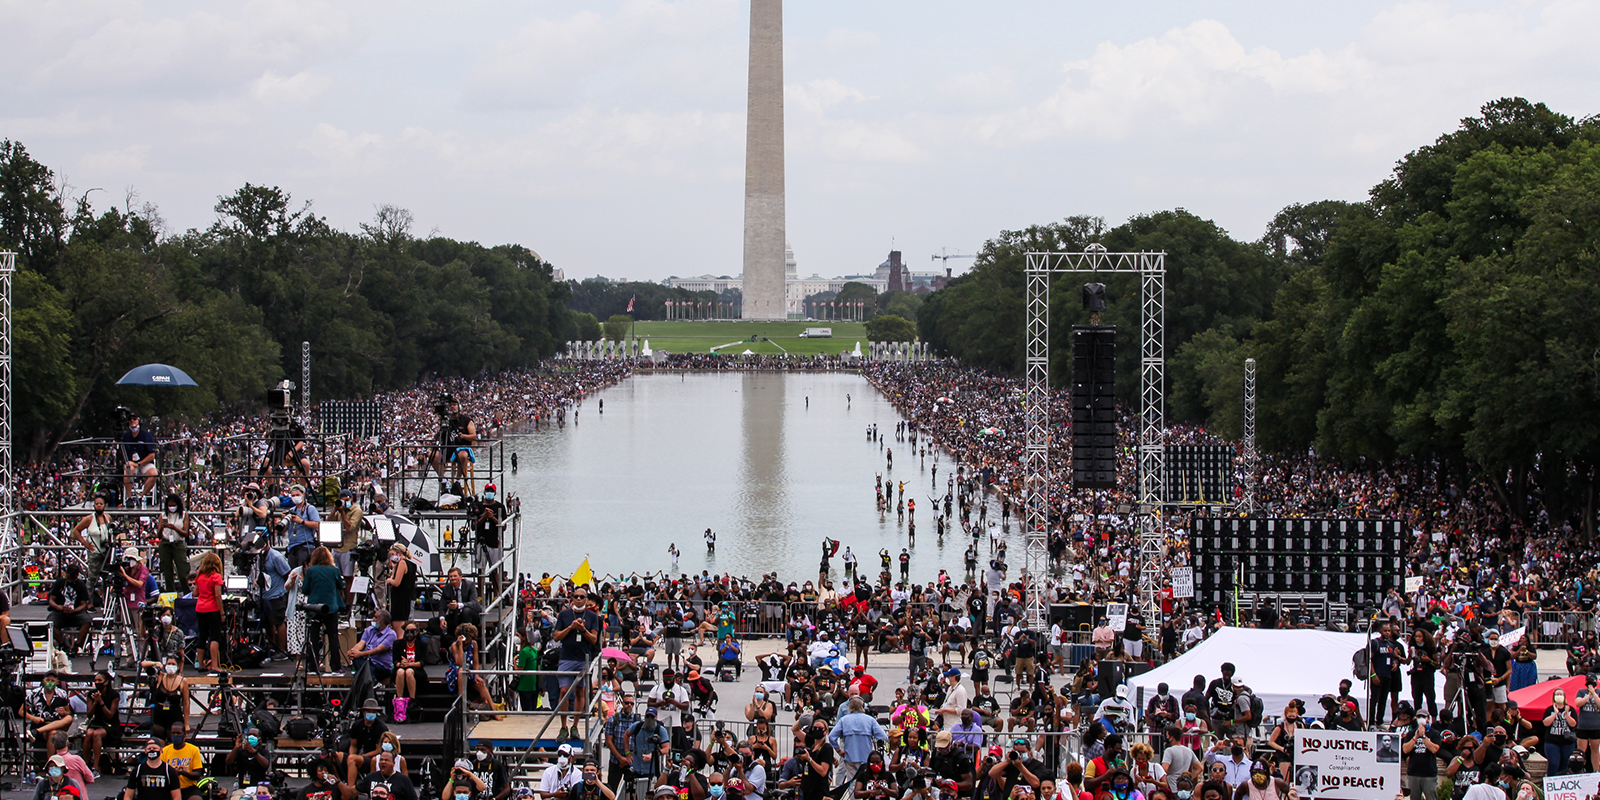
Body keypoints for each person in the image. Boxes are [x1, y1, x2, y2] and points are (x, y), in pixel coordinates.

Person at [554, 587, 601, 741]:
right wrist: (571, 627)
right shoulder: (564, 615)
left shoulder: (593, 616)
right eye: (576, 596)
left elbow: (594, 639)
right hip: (566, 658)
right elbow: (556, 637)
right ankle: (563, 727)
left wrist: (582, 630)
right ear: (572, 598)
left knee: (581, 692)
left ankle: (575, 725)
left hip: (583, 658)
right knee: (564, 691)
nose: (579, 599)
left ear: (587, 599)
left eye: (582, 596)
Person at [293, 546, 345, 671]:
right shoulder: (334, 570)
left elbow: (305, 590)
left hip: (314, 608)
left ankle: (313, 665)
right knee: (333, 636)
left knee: (313, 638)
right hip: (331, 607)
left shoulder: (311, 571)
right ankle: (335, 666)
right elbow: (340, 586)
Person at [830, 696, 889, 789]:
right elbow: (883, 736)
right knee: (866, 782)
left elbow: (831, 736)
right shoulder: (870, 720)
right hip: (865, 757)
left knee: (852, 783)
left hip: (849, 756)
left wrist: (838, 750)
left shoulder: (844, 720)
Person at [47, 562, 93, 655]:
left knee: (87, 622)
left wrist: (75, 610)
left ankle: (77, 645)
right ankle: (63, 644)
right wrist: (58, 607)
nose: (71, 580)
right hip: (60, 611)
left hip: (76, 612)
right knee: (49, 624)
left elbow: (84, 603)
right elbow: (51, 600)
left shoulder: (80, 584)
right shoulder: (60, 582)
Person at [84, 670, 123, 777]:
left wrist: (101, 702)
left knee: (97, 734)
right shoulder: (91, 694)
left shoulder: (114, 695)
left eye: (99, 680)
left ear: (106, 682)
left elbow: (110, 715)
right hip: (97, 722)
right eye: (95, 680)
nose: (97, 682)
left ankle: (95, 767)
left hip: (110, 725)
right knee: (88, 733)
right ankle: (85, 765)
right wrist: (95, 702)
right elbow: (89, 715)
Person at [23, 670, 75, 748]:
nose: (50, 682)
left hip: (57, 724)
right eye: (48, 680)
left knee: (69, 718)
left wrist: (64, 712)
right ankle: (50, 760)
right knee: (52, 733)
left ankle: (36, 732)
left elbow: (68, 712)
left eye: (52, 680)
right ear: (43, 681)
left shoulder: (62, 694)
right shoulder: (34, 694)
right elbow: (21, 711)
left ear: (57, 682)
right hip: (40, 724)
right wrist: (33, 718)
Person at [194, 550, 226, 672]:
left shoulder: (199, 576)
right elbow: (218, 595)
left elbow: (195, 593)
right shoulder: (216, 577)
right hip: (212, 609)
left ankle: (201, 664)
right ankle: (214, 665)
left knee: (202, 635)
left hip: (200, 608)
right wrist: (221, 612)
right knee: (215, 636)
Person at [347, 698, 391, 784]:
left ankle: (350, 790)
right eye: (369, 711)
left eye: (373, 711)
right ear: (364, 712)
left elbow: (378, 750)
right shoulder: (357, 725)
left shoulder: (381, 728)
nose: (371, 713)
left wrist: (361, 756)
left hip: (371, 758)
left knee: (352, 760)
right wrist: (351, 755)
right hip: (356, 755)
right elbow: (353, 745)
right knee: (335, 756)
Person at [147, 655, 190, 740]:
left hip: (174, 714)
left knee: (173, 740)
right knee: (158, 740)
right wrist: (155, 663)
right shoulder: (160, 676)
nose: (171, 666)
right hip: (159, 713)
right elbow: (143, 665)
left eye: (173, 664)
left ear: (177, 666)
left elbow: (186, 702)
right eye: (169, 663)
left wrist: (186, 723)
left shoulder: (182, 681)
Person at [348, 610, 398, 683]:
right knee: (358, 661)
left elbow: (378, 650)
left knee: (359, 675)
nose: (373, 619)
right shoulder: (370, 630)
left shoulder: (391, 634)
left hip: (381, 666)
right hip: (368, 662)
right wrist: (353, 651)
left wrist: (360, 654)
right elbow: (361, 643)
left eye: (375, 617)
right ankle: (373, 680)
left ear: (382, 621)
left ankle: (372, 681)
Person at [121, 412, 159, 505]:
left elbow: (151, 455)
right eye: (130, 419)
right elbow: (123, 452)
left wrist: (139, 464)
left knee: (154, 474)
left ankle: (141, 495)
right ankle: (129, 498)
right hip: (131, 463)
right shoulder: (126, 436)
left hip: (144, 462)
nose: (132, 421)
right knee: (129, 470)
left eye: (134, 419)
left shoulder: (147, 435)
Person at [605, 695, 640, 793]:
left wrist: (631, 756)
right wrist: (620, 758)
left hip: (632, 761)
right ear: (622, 704)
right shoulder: (613, 719)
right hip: (615, 760)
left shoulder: (637, 721)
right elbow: (609, 741)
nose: (629, 705)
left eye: (631, 703)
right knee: (611, 788)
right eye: (626, 703)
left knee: (633, 790)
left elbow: (640, 740)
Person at [160, 725, 206, 800]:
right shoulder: (165, 750)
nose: (175, 735)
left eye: (178, 733)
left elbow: (197, 774)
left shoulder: (193, 749)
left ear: (185, 734)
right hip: (169, 788)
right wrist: (172, 773)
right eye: (173, 733)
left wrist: (183, 772)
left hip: (189, 788)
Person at [393, 621, 426, 721]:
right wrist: (401, 664)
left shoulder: (422, 644)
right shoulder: (398, 644)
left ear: (417, 632)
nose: (409, 634)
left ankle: (412, 700)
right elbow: (395, 661)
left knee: (409, 671)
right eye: (407, 631)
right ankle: (400, 700)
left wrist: (409, 664)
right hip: (401, 669)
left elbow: (422, 663)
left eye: (412, 631)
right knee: (400, 671)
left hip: (417, 671)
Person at [282, 485, 322, 570]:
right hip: (292, 547)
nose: (295, 497)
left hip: (305, 547)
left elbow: (317, 525)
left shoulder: (310, 509)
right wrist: (284, 521)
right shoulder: (292, 510)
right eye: (293, 496)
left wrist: (302, 521)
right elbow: (285, 530)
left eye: (297, 495)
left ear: (303, 494)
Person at [1545, 688, 1579, 775]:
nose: (1559, 696)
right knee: (1553, 763)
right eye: (1557, 695)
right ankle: (1551, 781)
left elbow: (1573, 724)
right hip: (1552, 741)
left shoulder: (1571, 709)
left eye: (1561, 694)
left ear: (1564, 697)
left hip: (1567, 742)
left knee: (1565, 764)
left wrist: (1566, 714)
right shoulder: (1549, 710)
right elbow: (1546, 723)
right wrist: (1555, 713)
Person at [386, 543, 417, 636]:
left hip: (400, 599)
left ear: (398, 553)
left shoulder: (402, 563)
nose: (391, 557)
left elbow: (396, 582)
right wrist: (394, 568)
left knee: (398, 630)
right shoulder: (412, 564)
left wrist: (389, 580)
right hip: (407, 597)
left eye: (392, 554)